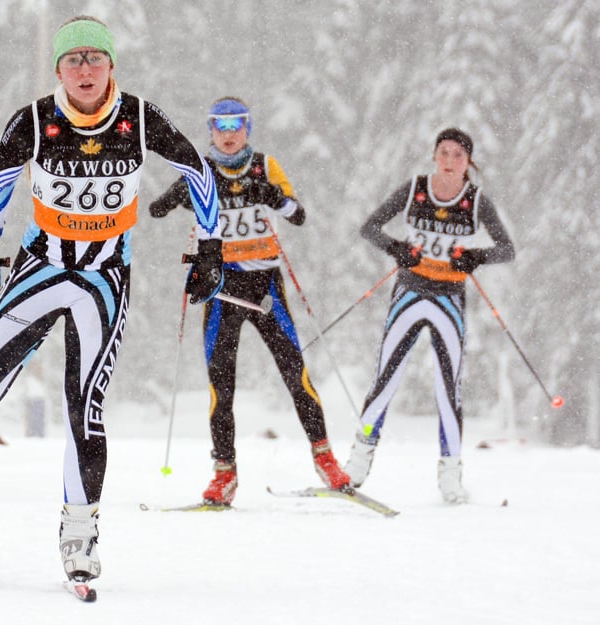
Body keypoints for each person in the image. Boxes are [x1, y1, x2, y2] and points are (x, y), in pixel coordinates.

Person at [0, 15, 223, 587]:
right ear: (59, 68)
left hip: (104, 279)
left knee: (84, 409)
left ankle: (79, 536)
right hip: (38, 269)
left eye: (95, 58)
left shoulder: (139, 117)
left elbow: (196, 169)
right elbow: (0, 182)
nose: (85, 69)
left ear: (111, 65)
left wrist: (210, 248)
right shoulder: (35, 120)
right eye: (73, 59)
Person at [149, 97, 350, 506]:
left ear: (247, 129)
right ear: (210, 131)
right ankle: (224, 473)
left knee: (296, 374)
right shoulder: (202, 171)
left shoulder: (265, 165)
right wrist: (180, 194)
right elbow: (156, 210)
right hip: (220, 288)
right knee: (221, 386)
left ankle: (325, 458)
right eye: (219, 126)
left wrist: (273, 197)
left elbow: (298, 214)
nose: (227, 134)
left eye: (235, 125)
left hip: (266, 287)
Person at [344, 128, 515, 503]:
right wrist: (397, 249)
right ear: (434, 156)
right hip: (409, 294)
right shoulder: (414, 189)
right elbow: (369, 227)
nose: (450, 161)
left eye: (458, 155)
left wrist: (476, 256)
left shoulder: (476, 201)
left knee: (447, 389)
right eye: (444, 153)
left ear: (469, 162)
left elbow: (507, 249)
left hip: (449, 301)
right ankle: (358, 462)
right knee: (385, 382)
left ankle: (451, 477)